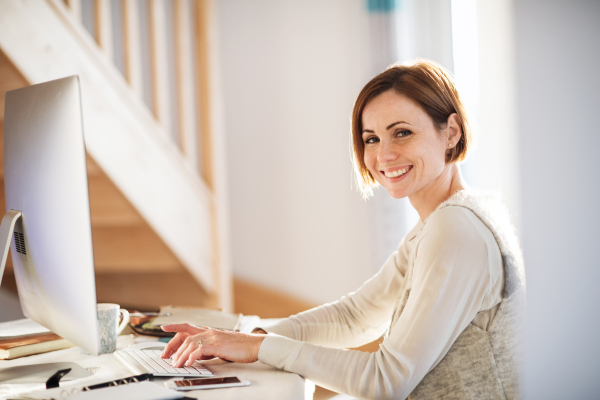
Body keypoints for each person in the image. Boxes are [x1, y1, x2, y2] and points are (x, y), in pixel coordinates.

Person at [160, 60, 526, 400]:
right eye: (371, 139)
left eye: (402, 133)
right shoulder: (447, 220)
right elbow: (356, 316)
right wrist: (247, 338)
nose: (383, 155)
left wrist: (259, 348)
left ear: (451, 132)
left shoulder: (455, 230)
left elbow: (388, 380)